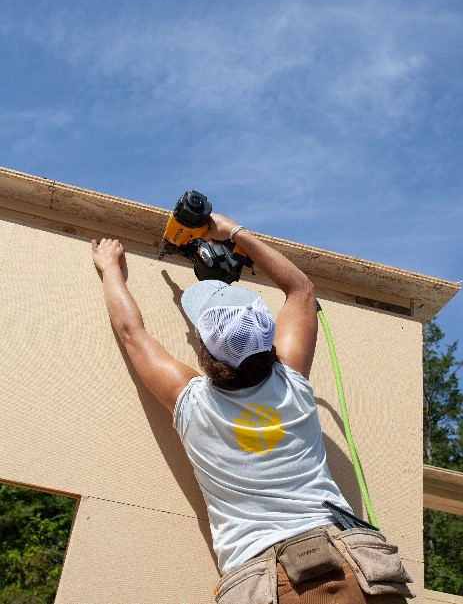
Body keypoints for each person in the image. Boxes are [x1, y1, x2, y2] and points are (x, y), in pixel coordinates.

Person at [91, 213, 412, 603]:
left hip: (266, 582)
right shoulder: (292, 381)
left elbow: (132, 334)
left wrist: (111, 270)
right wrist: (235, 232)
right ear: (270, 342)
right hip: (351, 566)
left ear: (202, 350)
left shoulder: (192, 403)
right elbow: (301, 290)